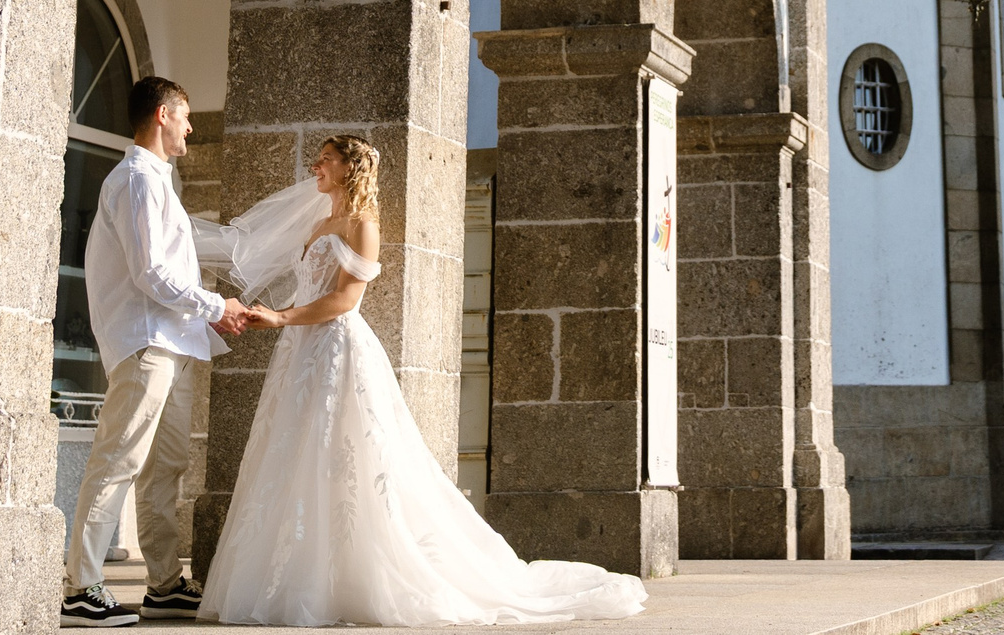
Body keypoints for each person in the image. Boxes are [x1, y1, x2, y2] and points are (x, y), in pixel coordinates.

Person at [199, 135, 649, 627]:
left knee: (346, 454)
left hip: (334, 349)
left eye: (326, 159)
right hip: (300, 352)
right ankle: (297, 575)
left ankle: (349, 579)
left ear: (350, 168)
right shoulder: (317, 221)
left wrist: (283, 317)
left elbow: (346, 300)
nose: (316, 166)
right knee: (296, 453)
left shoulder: (363, 225)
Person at [62, 76, 264, 628]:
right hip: (146, 342)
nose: (191, 127)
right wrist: (214, 306)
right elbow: (151, 273)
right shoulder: (136, 182)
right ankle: (82, 587)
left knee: (165, 466)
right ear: (161, 115)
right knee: (118, 458)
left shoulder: (157, 182)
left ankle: (165, 585)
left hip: (170, 344)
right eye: (185, 115)